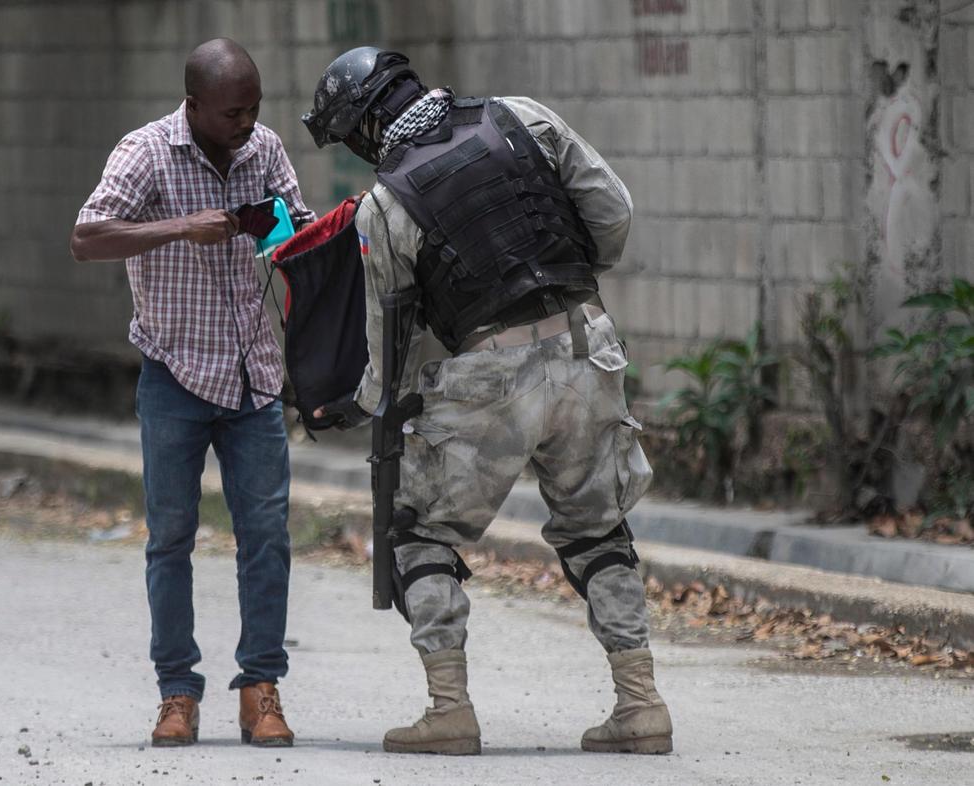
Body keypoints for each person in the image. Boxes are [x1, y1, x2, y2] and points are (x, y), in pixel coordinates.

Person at [302, 47, 673, 755]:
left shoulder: (384, 206)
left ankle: (450, 711)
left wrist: (365, 406)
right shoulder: (521, 118)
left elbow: (389, 336)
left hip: (488, 378)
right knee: (598, 529)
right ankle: (641, 704)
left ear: (367, 125)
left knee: (422, 534)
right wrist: (570, 284)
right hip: (586, 346)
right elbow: (613, 210)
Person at [70, 38, 315, 749]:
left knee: (266, 537)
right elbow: (86, 238)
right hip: (173, 374)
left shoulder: (263, 149)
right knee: (171, 538)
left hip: (254, 378)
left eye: (254, 109)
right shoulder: (146, 153)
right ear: (195, 105)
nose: (246, 122)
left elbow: (289, 231)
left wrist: (310, 235)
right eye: (233, 111)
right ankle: (176, 693)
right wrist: (181, 227)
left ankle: (261, 688)